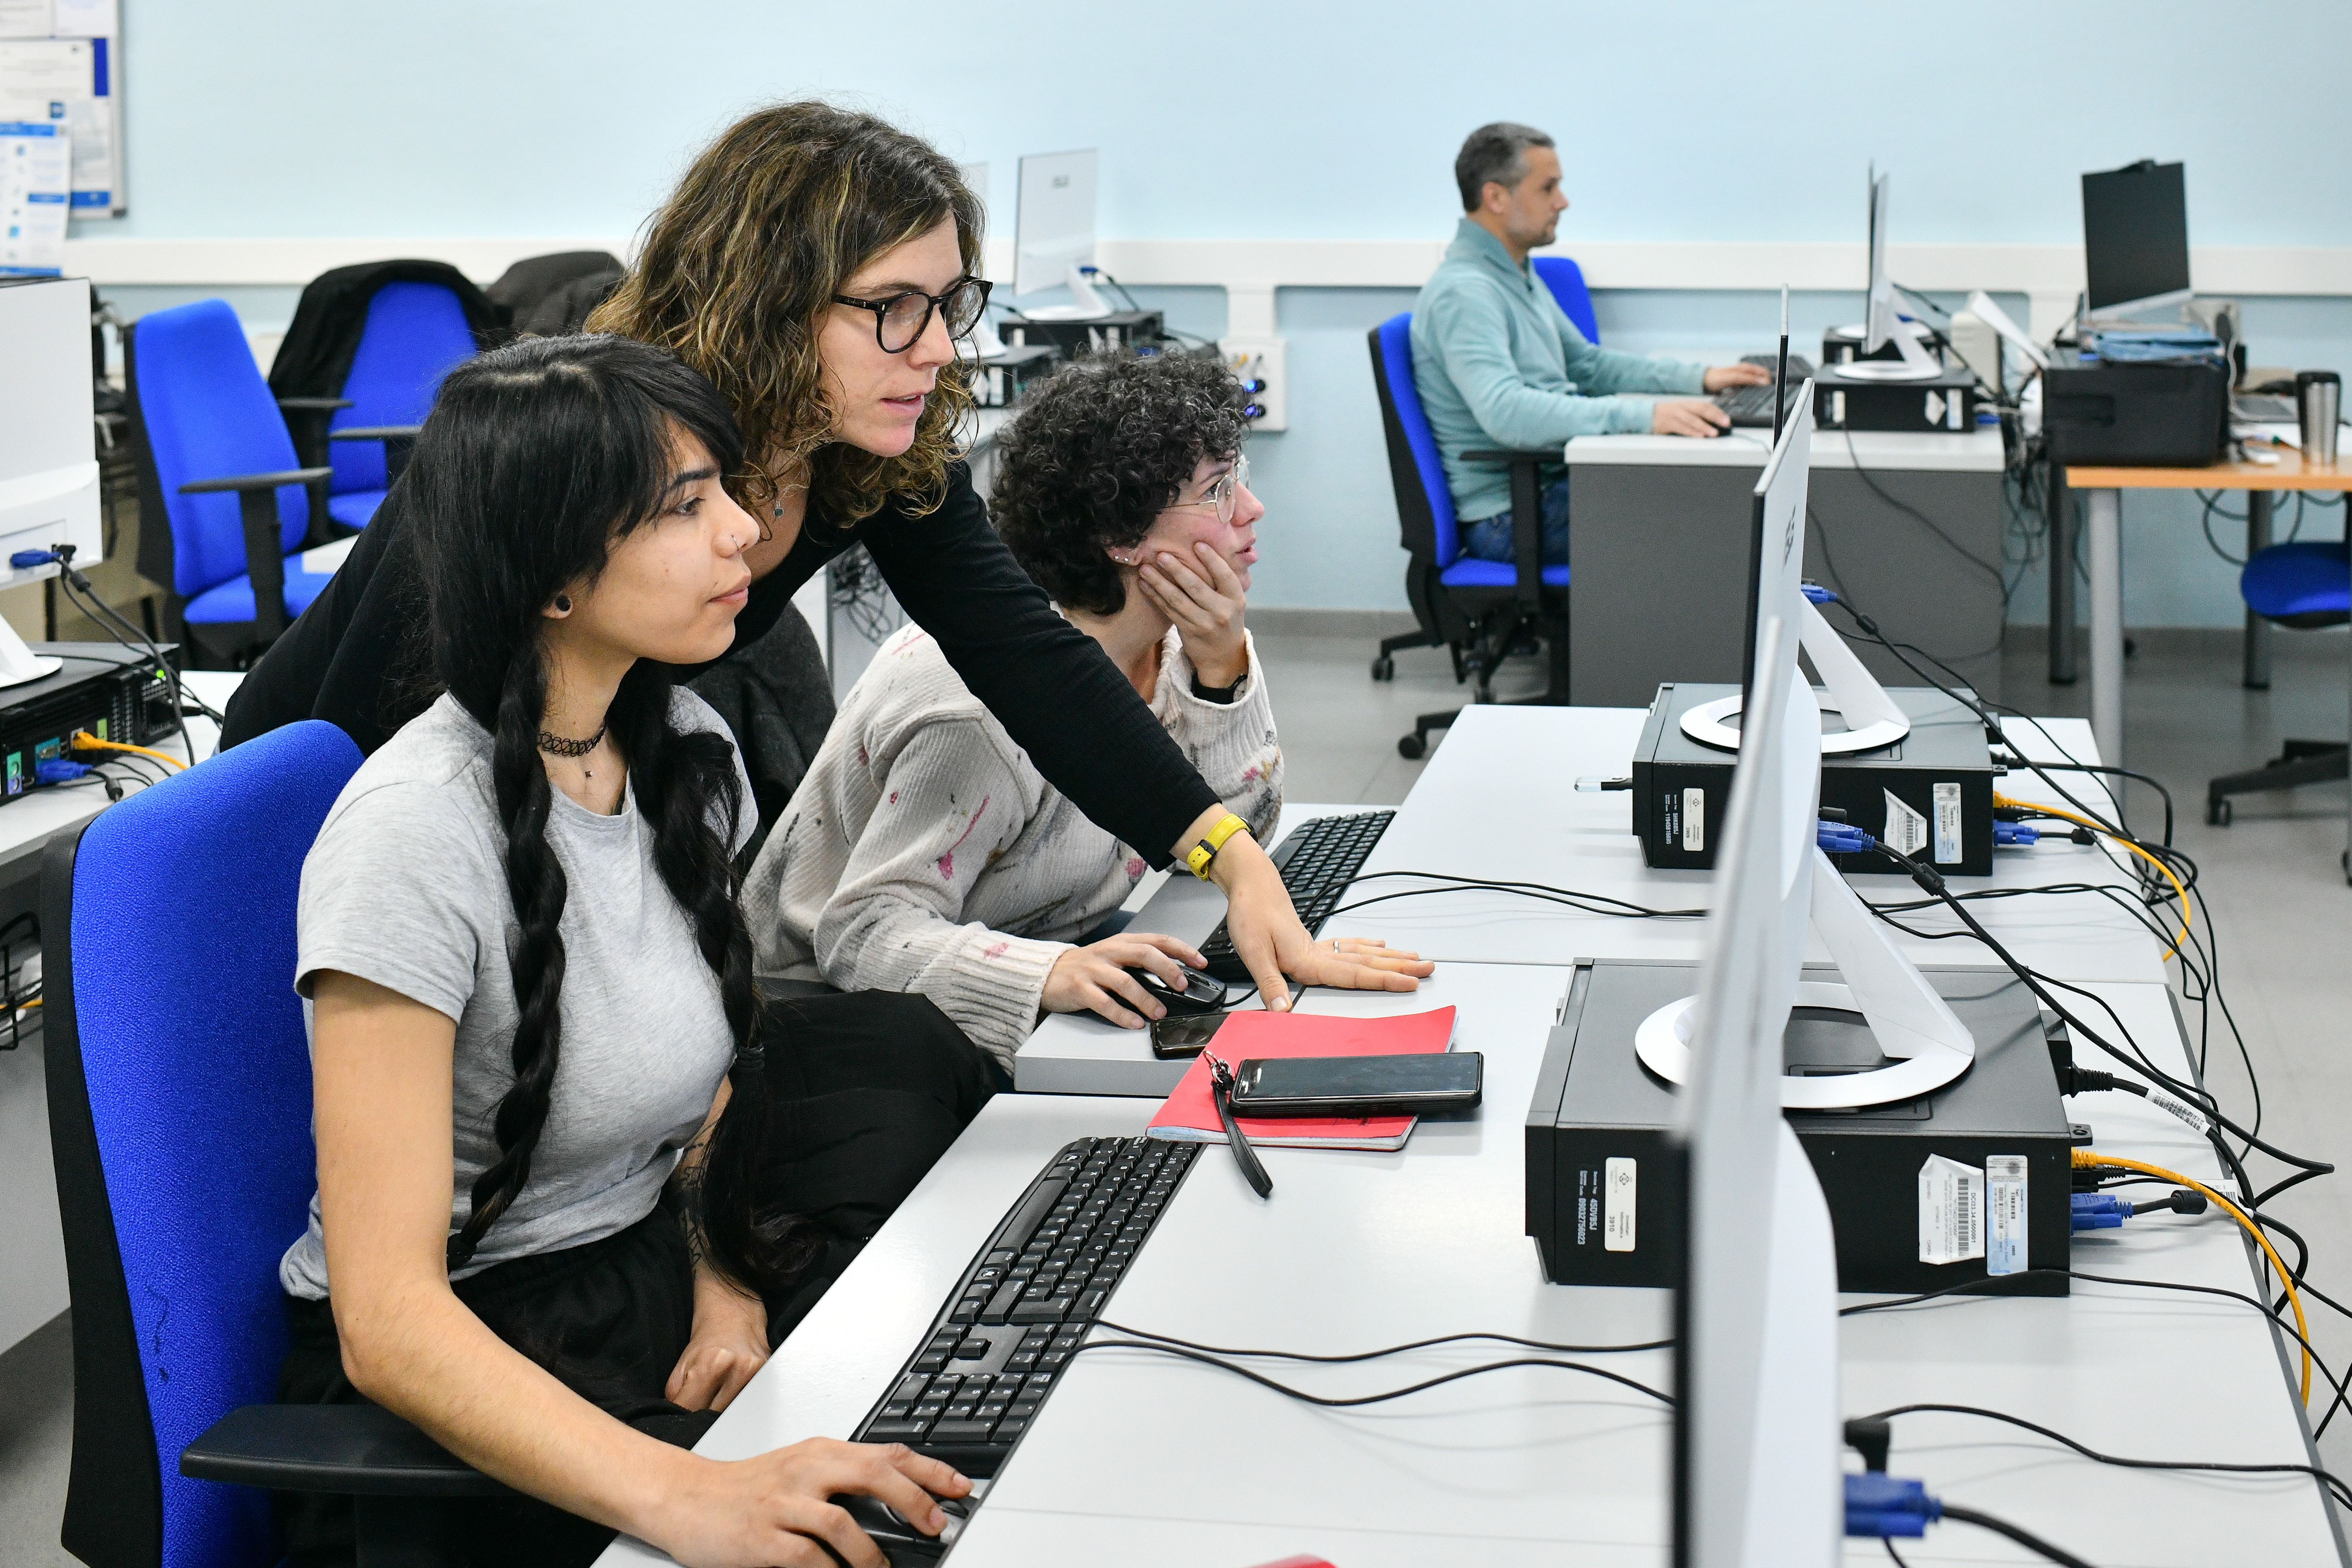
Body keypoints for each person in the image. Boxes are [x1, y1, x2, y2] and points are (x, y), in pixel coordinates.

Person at [221, 100, 1425, 1017]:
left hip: (571, 782)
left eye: (953, 301)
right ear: (772, 301)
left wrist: (1227, 854)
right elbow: (384, 717)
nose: (941, 348)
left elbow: (1030, 659)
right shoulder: (577, 435)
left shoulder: (862, 453)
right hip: (346, 795)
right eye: (895, 306)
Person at [278, 334, 986, 1568]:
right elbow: (388, 1324)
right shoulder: (410, 838)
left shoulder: (684, 747)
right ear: (553, 574)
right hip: (475, 1368)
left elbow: (706, 1064)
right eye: (685, 507)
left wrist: (725, 1274)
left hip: (639, 1264)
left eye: (727, 490)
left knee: (940, 1358)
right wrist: (686, 1496)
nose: (744, 537)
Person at [746, 354, 1421, 1065]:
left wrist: (1221, 674)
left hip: (1028, 948)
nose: (1251, 512)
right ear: (1123, 538)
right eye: (1217, 491)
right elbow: (863, 934)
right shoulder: (973, 711)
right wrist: (1048, 974)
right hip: (842, 1014)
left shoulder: (1181, 642)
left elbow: (1231, 840)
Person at [1410, 121, 1771, 567]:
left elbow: (1586, 365)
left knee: (1709, 489)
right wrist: (1644, 416)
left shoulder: (1512, 273)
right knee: (1713, 513)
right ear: (1496, 197)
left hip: (1552, 484)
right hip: (1513, 514)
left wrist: (1698, 378)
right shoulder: (1465, 292)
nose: (1562, 202)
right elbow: (1505, 411)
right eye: (1548, 188)